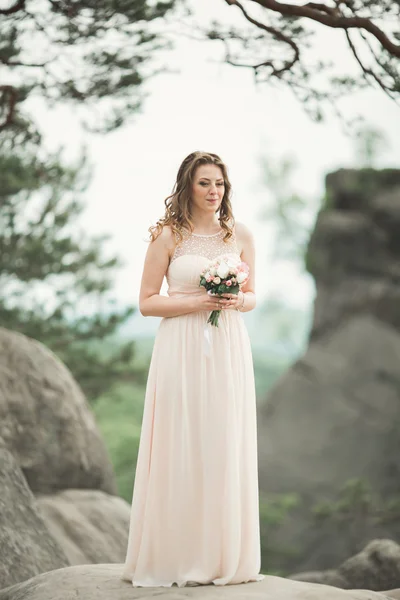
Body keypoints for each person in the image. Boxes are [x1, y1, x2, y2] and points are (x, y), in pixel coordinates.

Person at [121, 151, 265, 588]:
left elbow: (254, 293)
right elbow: (147, 302)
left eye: (219, 184)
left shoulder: (239, 234)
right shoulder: (167, 236)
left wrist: (233, 299)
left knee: (222, 442)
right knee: (179, 441)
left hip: (227, 346)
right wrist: (199, 302)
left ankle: (221, 557)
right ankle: (174, 556)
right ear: (187, 186)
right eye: (204, 183)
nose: (213, 191)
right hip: (179, 347)